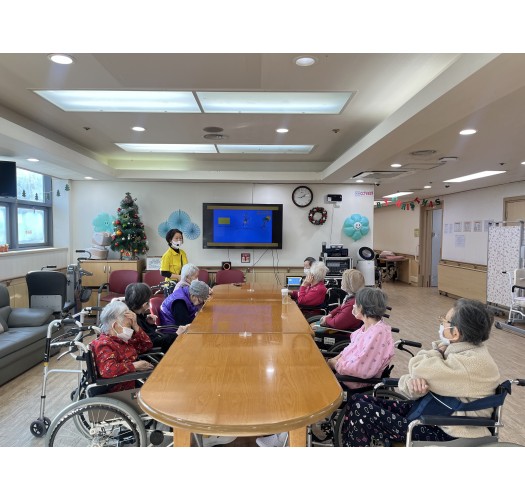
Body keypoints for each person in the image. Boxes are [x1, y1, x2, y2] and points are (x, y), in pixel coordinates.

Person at [340, 298, 501, 446]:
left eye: (445, 321)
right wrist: (412, 383)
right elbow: (416, 376)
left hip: (448, 430)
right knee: (357, 400)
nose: (442, 323)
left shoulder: (469, 363)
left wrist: (436, 352)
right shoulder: (459, 351)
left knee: (361, 410)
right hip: (433, 413)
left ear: (455, 332)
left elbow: (417, 367)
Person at [257, 286, 394, 447]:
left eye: (356, 304)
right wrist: (332, 361)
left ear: (364, 307)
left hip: (353, 383)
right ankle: (284, 433)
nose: (354, 307)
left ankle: (286, 438)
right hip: (344, 374)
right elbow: (348, 352)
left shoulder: (377, 334)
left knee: (299, 388)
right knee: (299, 373)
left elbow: (361, 369)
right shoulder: (368, 328)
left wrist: (334, 363)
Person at [90, 300, 154, 393]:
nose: (130, 330)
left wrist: (135, 325)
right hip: (121, 391)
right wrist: (135, 366)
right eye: (129, 326)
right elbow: (108, 370)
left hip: (133, 383)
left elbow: (147, 345)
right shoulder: (104, 344)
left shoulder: (121, 340)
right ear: (115, 325)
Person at [124, 282, 177, 352]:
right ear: (145, 304)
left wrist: (149, 324)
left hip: (154, 343)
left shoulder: (136, 314)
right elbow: (151, 342)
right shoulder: (132, 320)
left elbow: (150, 334)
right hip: (152, 351)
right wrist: (176, 335)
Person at [311, 268, 365, 333]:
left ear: (350, 284)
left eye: (343, 280)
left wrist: (327, 319)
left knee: (310, 331)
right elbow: (341, 307)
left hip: (341, 333)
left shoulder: (353, 304)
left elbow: (336, 324)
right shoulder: (353, 298)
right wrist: (330, 314)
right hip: (338, 327)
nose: (341, 282)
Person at [160, 228, 188, 294]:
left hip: (182, 283)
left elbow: (186, 267)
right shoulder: (167, 255)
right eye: (176, 238)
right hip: (171, 285)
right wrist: (178, 277)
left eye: (180, 238)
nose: (179, 240)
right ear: (170, 240)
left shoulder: (183, 253)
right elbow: (163, 272)